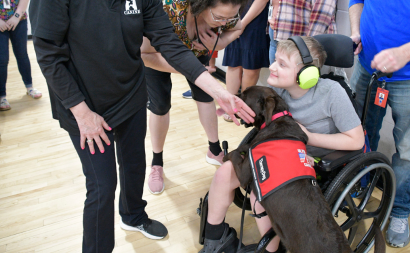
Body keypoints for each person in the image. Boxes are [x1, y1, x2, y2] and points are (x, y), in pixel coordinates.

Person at [28, 0, 255, 251]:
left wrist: (219, 92)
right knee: (102, 187)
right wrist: (81, 113)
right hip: (85, 107)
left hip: (129, 93)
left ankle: (133, 216)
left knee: (134, 162)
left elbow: (170, 43)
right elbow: (48, 55)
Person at [201, 37, 364, 252]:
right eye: (275, 60)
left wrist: (309, 137)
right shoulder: (277, 93)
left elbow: (357, 140)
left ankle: (273, 249)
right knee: (224, 174)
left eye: (281, 64)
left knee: (259, 196)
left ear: (307, 74)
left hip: (318, 164)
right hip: (278, 157)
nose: (272, 67)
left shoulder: (332, 93)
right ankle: (215, 238)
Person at [348, 0, 410, 248]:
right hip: (367, 65)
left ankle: (400, 210)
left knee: (407, 150)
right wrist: (356, 30)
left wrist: (405, 52)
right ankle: (359, 187)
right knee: (358, 134)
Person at [140, 0, 248, 194]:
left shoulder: (226, 15)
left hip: (197, 55)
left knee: (206, 98)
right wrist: (189, 71)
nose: (224, 23)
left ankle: (214, 150)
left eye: (229, 18)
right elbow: (144, 54)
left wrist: (221, 42)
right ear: (202, 5)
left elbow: (238, 27)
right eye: (219, 17)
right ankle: (157, 163)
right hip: (158, 56)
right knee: (160, 106)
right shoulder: (169, 9)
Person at [221, 0, 270, 122]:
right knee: (234, 62)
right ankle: (230, 104)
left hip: (255, 19)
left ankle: (244, 106)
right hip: (233, 13)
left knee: (251, 68)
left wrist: (242, 24)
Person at [0, 0, 42, 111]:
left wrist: (17, 17)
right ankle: (2, 97)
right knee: (2, 60)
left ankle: (30, 87)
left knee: (22, 54)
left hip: (19, 20)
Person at [268, 0, 337, 65]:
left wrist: (309, 47)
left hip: (301, 41)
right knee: (276, 74)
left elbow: (322, 13)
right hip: (277, 32)